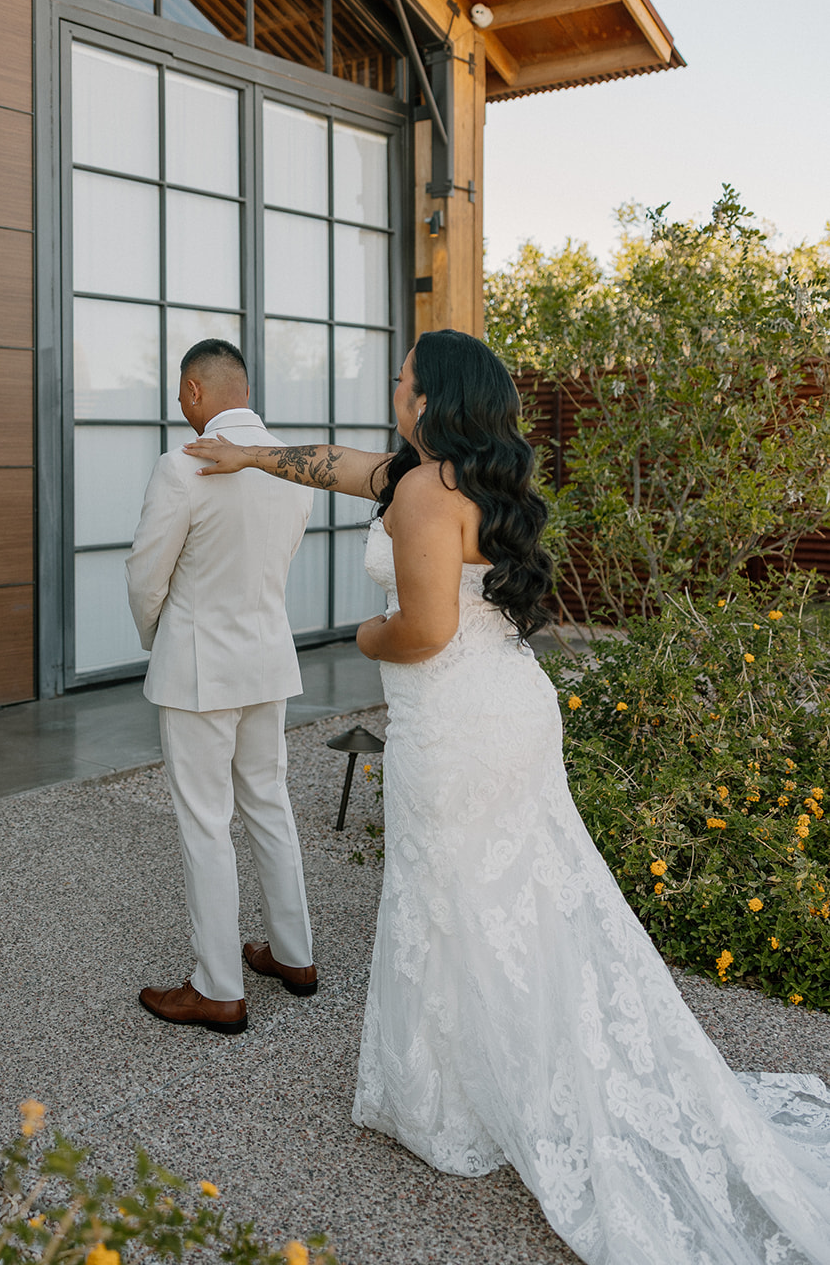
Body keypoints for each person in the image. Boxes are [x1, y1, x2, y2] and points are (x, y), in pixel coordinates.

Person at [184, 329, 830, 1264]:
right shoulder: (463, 480)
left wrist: (358, 637)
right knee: (509, 893)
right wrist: (252, 456)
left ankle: (454, 1098)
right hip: (507, 709)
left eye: (402, 379)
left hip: (456, 727)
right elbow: (340, 465)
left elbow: (423, 630)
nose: (393, 389)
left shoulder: (421, 492)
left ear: (428, 399)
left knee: (448, 898)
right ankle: (494, 1066)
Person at [126, 338, 318, 1037]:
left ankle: (218, 988)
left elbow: (146, 573)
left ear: (195, 391)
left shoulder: (181, 465)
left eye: (181, 393)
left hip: (199, 669)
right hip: (267, 660)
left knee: (206, 822)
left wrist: (159, 635)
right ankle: (293, 956)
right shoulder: (290, 464)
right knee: (268, 802)